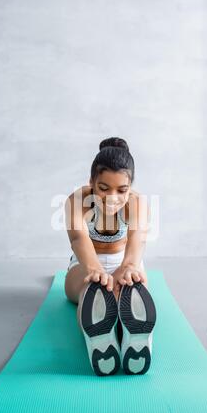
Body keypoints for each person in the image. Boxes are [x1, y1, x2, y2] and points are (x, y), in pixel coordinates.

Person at [64, 137, 156, 376]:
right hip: (86, 262)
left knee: (135, 285)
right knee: (90, 291)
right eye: (103, 188)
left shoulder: (138, 203)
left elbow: (138, 240)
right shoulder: (77, 200)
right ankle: (99, 339)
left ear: (131, 187)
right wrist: (95, 271)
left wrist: (127, 269)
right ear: (91, 182)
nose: (112, 197)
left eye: (121, 190)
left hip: (125, 260)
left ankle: (133, 337)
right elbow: (78, 239)